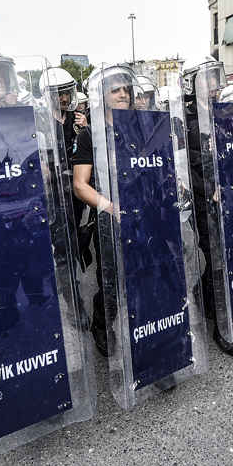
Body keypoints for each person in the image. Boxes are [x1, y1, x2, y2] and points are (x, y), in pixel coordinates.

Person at [181, 56, 233, 357]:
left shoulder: (226, 112)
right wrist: (209, 190)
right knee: (217, 260)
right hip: (203, 202)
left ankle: (208, 298)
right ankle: (224, 327)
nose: (214, 83)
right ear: (192, 82)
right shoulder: (182, 118)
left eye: (215, 76)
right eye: (206, 77)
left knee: (227, 257)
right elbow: (182, 169)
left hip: (231, 198)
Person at [72, 66, 136, 356]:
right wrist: (111, 207)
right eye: (115, 89)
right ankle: (102, 324)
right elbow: (80, 185)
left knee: (144, 276)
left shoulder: (141, 126)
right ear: (102, 95)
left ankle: (148, 332)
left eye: (126, 89)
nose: (123, 94)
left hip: (144, 213)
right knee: (111, 282)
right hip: (110, 219)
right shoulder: (90, 134)